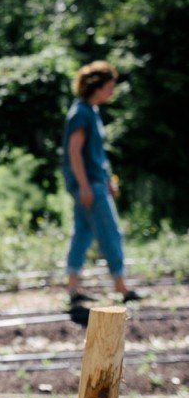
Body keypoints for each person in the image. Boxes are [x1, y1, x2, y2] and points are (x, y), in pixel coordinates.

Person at [61, 60, 141, 307]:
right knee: (110, 233)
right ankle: (121, 286)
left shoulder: (91, 112)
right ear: (97, 87)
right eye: (109, 86)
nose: (112, 92)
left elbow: (96, 154)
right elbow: (74, 153)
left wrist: (108, 180)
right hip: (89, 185)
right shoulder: (81, 113)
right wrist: (85, 185)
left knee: (83, 234)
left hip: (96, 181)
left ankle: (73, 288)